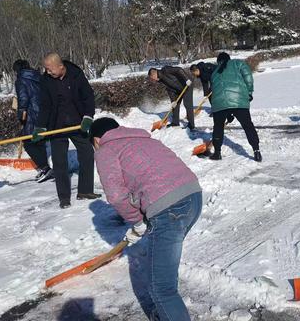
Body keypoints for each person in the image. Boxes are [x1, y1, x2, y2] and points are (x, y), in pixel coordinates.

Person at [90, 117, 202, 321]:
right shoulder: (146, 139)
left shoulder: (106, 150)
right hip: (193, 196)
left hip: (168, 210)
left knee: (161, 288)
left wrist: (137, 221)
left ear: (96, 140)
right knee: (164, 271)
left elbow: (115, 195)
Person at [32, 53, 101, 209]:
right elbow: (45, 105)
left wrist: (88, 116)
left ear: (61, 66)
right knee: (59, 162)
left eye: (50, 69)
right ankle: (64, 198)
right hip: (56, 125)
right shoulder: (46, 80)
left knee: (87, 153)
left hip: (77, 122)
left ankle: (85, 191)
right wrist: (40, 126)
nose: (47, 72)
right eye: (46, 69)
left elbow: (88, 96)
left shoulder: (76, 75)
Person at [209, 52, 261, 161]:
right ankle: (256, 151)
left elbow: (214, 91)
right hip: (239, 100)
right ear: (229, 58)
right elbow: (248, 77)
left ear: (218, 61)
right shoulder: (238, 63)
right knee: (248, 125)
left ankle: (217, 153)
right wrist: (249, 93)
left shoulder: (214, 72)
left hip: (219, 104)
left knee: (218, 127)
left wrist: (226, 113)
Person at [13, 59, 54, 183]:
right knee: (38, 140)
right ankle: (44, 169)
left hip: (31, 114)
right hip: (43, 112)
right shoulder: (38, 76)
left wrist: (21, 113)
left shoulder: (20, 80)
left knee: (28, 142)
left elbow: (23, 98)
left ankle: (45, 168)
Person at [148, 66, 195, 130]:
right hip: (178, 89)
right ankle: (175, 123)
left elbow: (179, 70)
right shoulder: (161, 80)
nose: (153, 80)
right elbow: (169, 90)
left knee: (187, 104)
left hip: (187, 85)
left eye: (152, 78)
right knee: (175, 105)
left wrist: (186, 79)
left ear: (154, 74)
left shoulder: (165, 70)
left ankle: (191, 125)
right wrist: (173, 100)